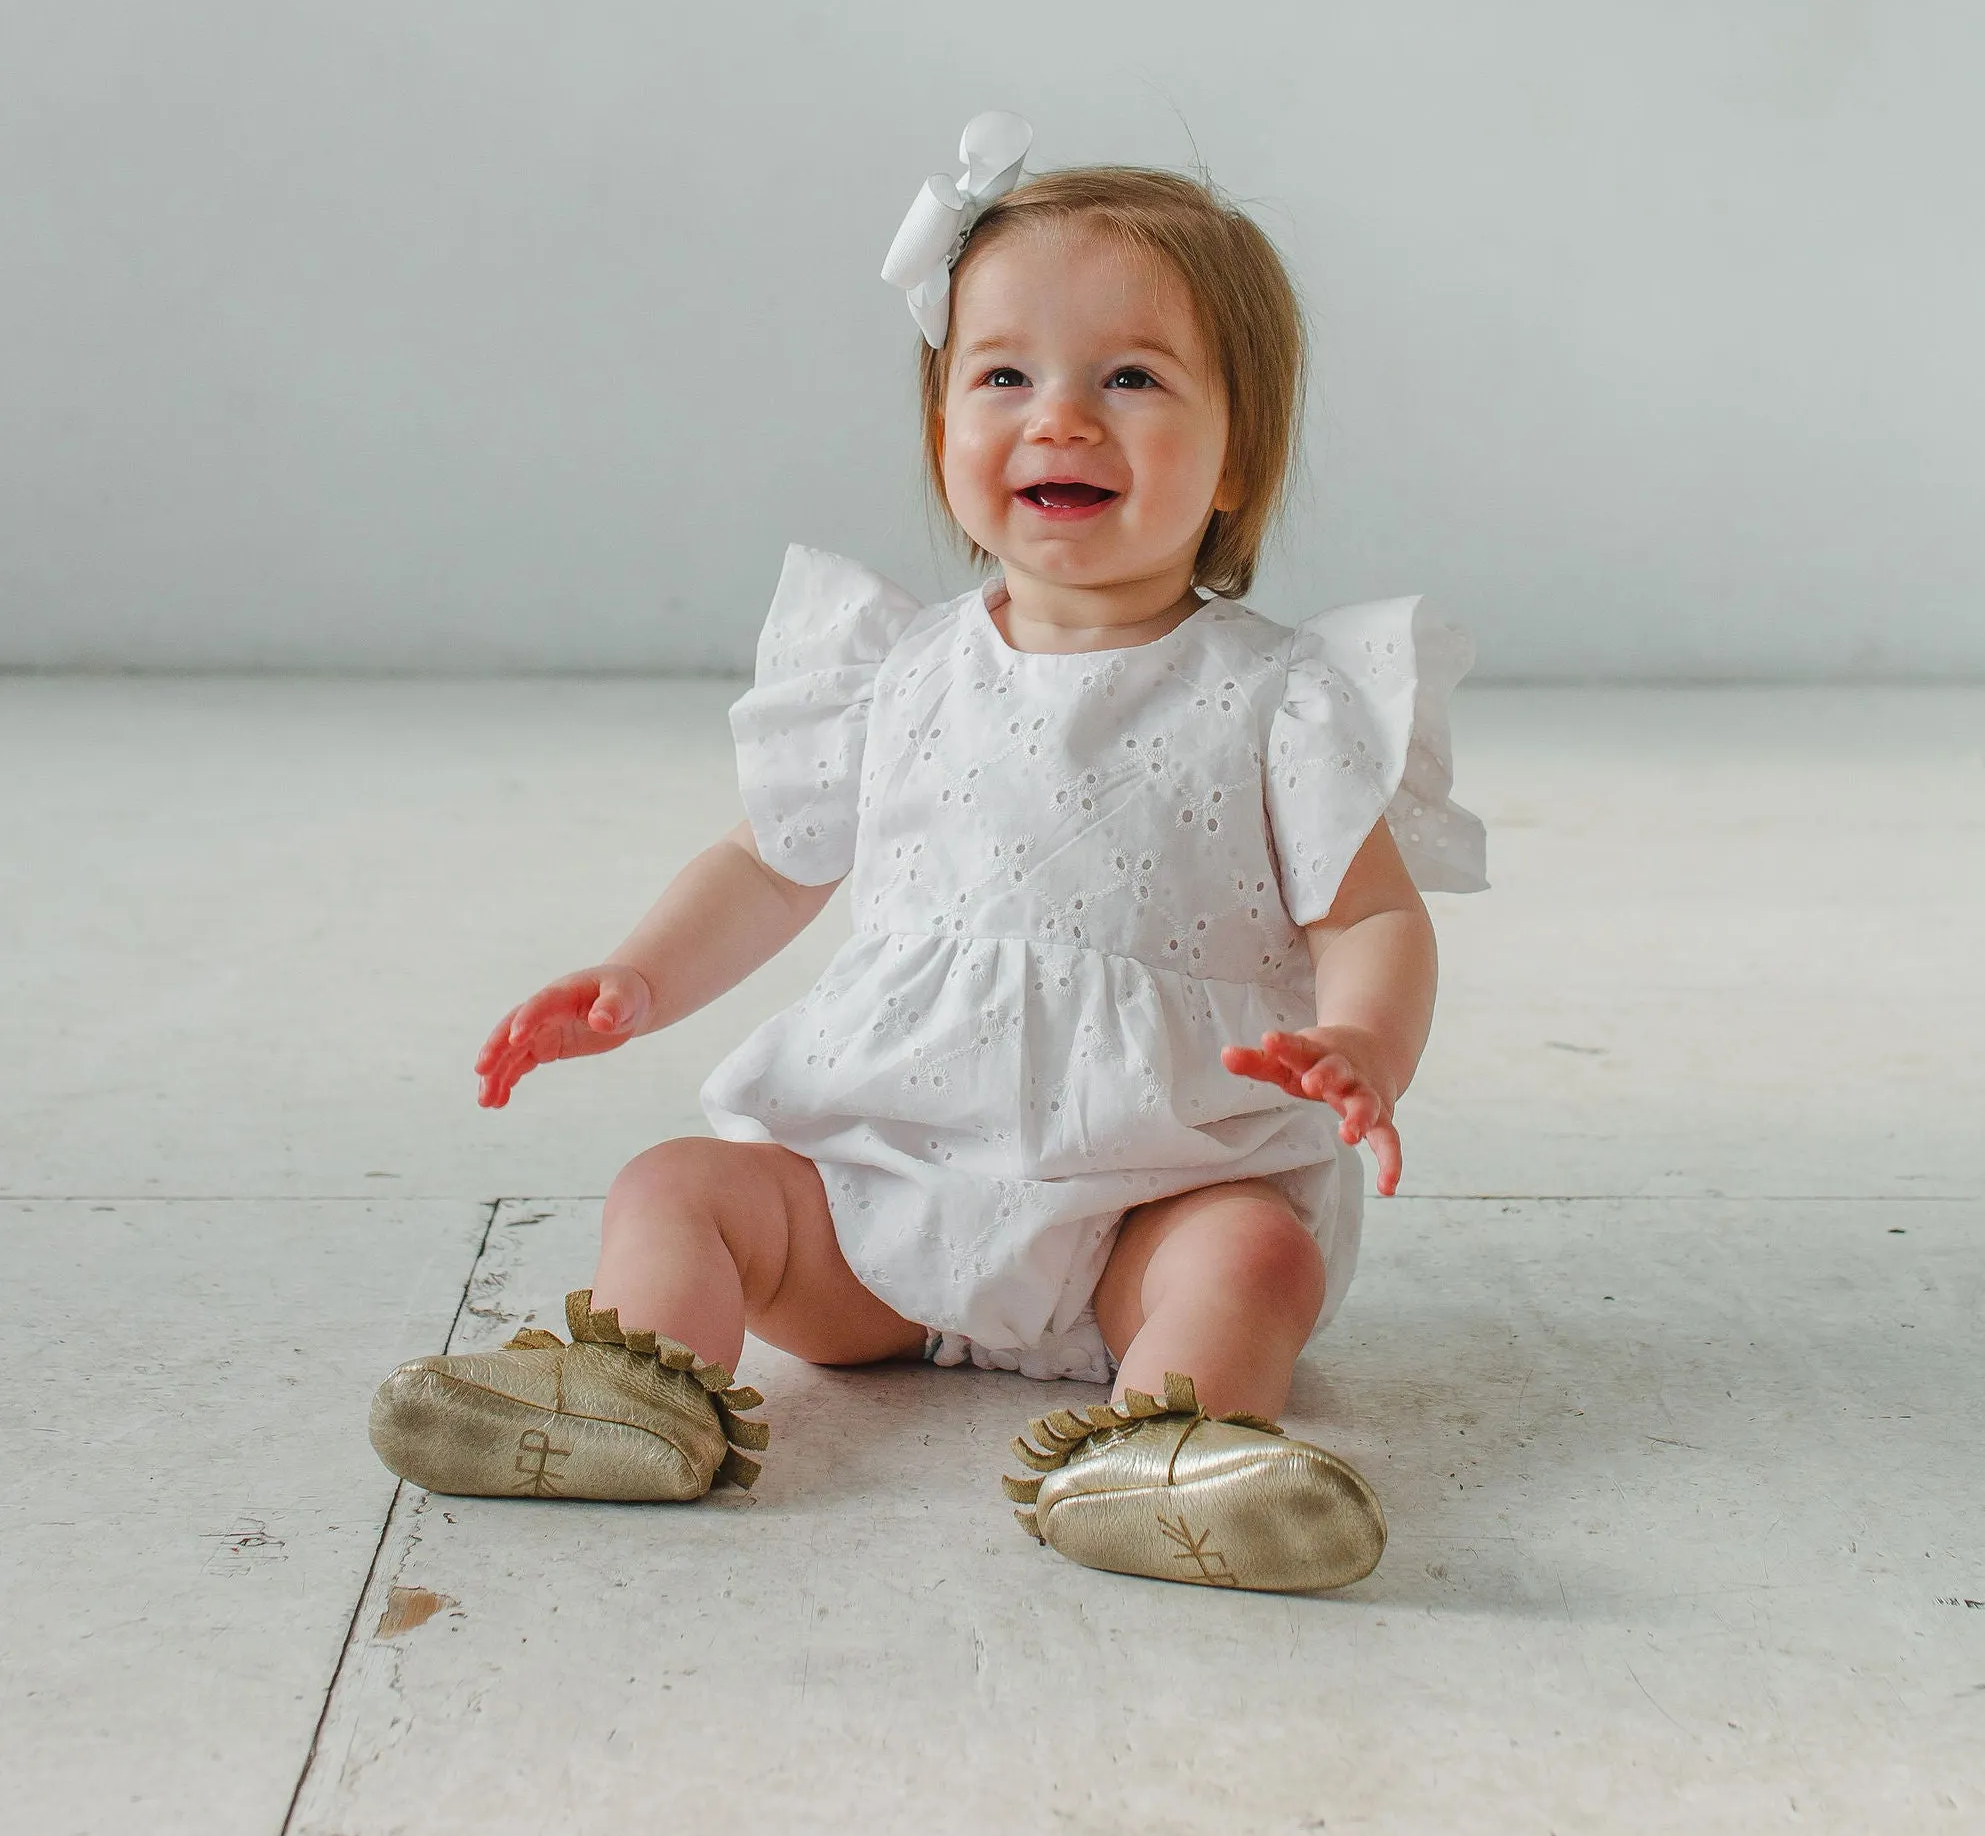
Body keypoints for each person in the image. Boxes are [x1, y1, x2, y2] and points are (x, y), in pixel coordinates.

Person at [370, 113, 1485, 1592]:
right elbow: (774, 863)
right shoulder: (893, 670)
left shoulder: (1283, 697)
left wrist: (1363, 1043)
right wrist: (637, 977)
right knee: (673, 1188)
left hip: (1144, 1206)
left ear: (1237, 458)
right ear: (943, 422)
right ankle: (642, 1391)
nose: (1060, 418)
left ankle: (1173, 1446)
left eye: (1131, 378)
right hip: (881, 1198)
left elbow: (1374, 919)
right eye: (1004, 375)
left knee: (1255, 1263)